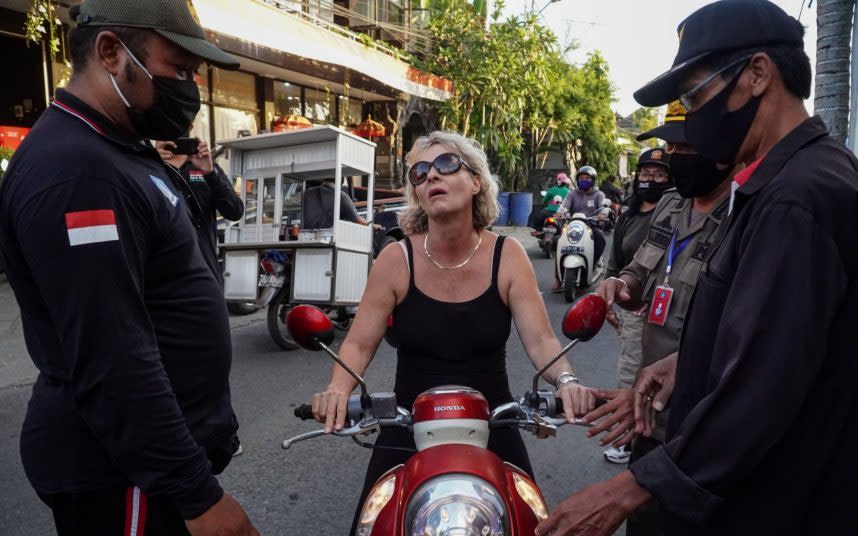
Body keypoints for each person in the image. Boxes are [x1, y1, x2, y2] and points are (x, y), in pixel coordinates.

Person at [536, 2, 858, 535]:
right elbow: (781, 337)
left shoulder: (797, 198)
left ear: (757, 75)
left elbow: (762, 391)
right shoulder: (782, 183)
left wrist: (626, 490)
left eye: (695, 94)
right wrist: (691, 362)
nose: (691, 117)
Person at [0, 2, 258, 535]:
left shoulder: (120, 151)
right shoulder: (78, 171)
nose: (190, 88)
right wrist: (198, 497)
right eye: (178, 68)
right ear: (112, 52)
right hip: (124, 477)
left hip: (147, 470)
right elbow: (113, 357)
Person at [309, 131, 596, 534]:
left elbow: (542, 340)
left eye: (445, 165)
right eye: (420, 173)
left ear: (476, 181)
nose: (430, 177)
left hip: (494, 422)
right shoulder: (396, 258)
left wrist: (566, 382)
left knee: (530, 523)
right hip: (405, 425)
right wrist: (338, 391)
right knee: (371, 525)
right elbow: (357, 342)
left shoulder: (507, 255)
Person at [601, 147, 672, 465]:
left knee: (662, 377)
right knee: (631, 371)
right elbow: (617, 266)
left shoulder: (674, 213)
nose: (651, 180)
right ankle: (627, 435)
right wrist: (612, 296)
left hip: (667, 312)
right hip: (633, 311)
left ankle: (654, 434)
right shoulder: (628, 218)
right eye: (645, 174)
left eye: (659, 175)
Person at [155, 136, 243, 287]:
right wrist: (151, 165)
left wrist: (210, 173)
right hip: (161, 278)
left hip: (203, 271)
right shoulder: (147, 168)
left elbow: (235, 212)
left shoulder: (204, 168)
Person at [552, 165, 605, 291]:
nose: (584, 180)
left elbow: (602, 208)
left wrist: (602, 214)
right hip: (573, 225)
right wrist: (559, 212)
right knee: (559, 243)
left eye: (587, 178)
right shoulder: (572, 194)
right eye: (582, 178)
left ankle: (592, 266)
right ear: (577, 179)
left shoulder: (598, 194)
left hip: (591, 225)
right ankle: (558, 279)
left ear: (592, 180)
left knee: (600, 238)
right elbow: (564, 206)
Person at [302, 178, 378, 230]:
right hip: (328, 238)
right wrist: (373, 226)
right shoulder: (341, 196)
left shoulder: (308, 192)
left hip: (304, 235)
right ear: (340, 179)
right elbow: (357, 220)